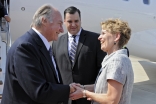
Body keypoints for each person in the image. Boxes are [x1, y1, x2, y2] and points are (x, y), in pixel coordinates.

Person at [2, 4, 75, 104]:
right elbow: (39, 91)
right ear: (44, 21)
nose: (62, 29)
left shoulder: (40, 46)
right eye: (59, 24)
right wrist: (68, 89)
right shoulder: (25, 47)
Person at [70, 19, 134, 104]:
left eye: (103, 33)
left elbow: (112, 99)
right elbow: (103, 87)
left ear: (117, 37)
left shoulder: (117, 61)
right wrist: (82, 88)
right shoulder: (117, 58)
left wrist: (84, 93)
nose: (99, 37)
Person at [52, 6, 106, 104]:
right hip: (65, 98)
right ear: (64, 22)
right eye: (69, 21)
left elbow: (102, 69)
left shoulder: (95, 40)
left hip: (88, 98)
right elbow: (55, 70)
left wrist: (94, 91)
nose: (73, 24)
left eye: (76, 21)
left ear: (80, 20)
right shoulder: (56, 42)